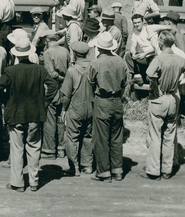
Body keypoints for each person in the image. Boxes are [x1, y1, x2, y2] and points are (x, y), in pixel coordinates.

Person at [0, 31, 52, 192]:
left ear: (16, 54)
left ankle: (17, 182)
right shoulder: (39, 69)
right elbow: (52, 85)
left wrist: (6, 100)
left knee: (17, 148)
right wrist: (45, 102)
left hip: (16, 113)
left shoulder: (10, 71)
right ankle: (34, 181)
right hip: (35, 113)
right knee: (34, 147)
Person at [143, 31, 185, 180]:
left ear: (161, 43)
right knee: (169, 135)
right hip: (173, 99)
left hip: (158, 98)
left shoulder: (159, 59)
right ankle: (167, 170)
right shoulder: (179, 59)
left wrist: (155, 84)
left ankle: (154, 170)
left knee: (155, 136)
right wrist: (180, 82)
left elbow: (149, 73)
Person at [87, 32, 127, 182]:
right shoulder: (120, 61)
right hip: (117, 100)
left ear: (99, 47)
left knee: (102, 138)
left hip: (102, 100)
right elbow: (124, 83)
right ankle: (118, 170)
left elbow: (90, 83)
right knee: (117, 136)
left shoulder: (95, 63)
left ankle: (103, 171)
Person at [60, 41, 94, 176]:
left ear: (74, 53)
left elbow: (66, 95)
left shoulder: (72, 70)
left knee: (72, 137)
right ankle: (88, 165)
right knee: (88, 136)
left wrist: (63, 109)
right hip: (91, 107)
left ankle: (74, 167)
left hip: (75, 108)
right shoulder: (93, 67)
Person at [40, 31, 70, 159]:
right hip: (65, 90)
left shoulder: (48, 53)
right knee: (61, 119)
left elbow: (51, 74)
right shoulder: (65, 51)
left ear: (48, 40)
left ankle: (49, 150)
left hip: (53, 89)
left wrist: (61, 78)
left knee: (50, 120)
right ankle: (61, 148)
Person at [125, 14, 156, 84]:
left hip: (152, 56)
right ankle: (136, 75)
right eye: (135, 23)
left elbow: (155, 47)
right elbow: (133, 46)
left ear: (143, 22)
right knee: (128, 56)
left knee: (151, 76)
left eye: (139, 22)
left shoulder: (148, 30)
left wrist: (145, 54)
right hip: (143, 56)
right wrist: (133, 53)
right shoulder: (135, 33)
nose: (137, 24)